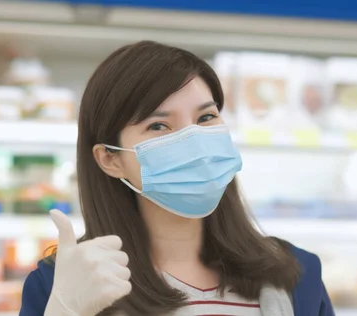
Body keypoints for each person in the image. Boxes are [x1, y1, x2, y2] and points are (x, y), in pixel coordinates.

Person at [20, 41, 334, 316]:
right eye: (159, 126)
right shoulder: (67, 282)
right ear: (110, 159)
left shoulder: (296, 274)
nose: (194, 140)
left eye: (206, 118)